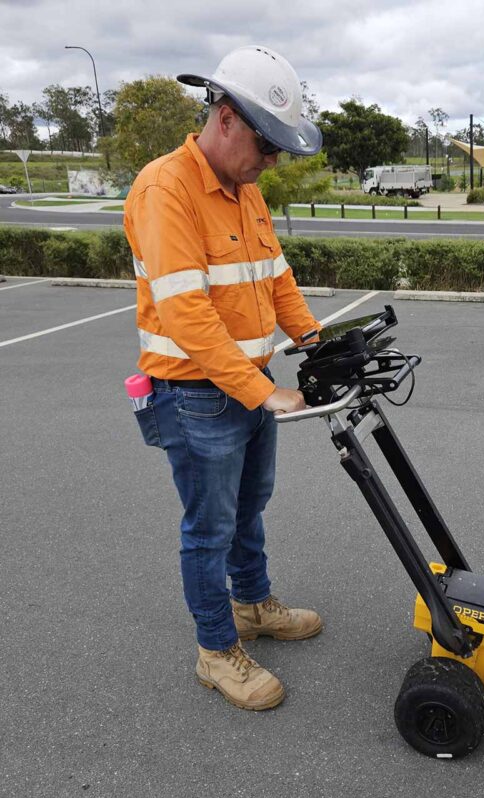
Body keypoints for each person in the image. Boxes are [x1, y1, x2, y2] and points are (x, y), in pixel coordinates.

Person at [123, 45, 324, 711]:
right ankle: (215, 649)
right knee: (208, 528)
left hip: (247, 386)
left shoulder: (246, 193)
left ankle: (253, 605)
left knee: (248, 507)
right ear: (227, 117)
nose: (272, 161)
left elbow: (277, 280)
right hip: (195, 397)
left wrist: (316, 343)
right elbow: (188, 315)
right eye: (267, 144)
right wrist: (266, 392)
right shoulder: (166, 189)